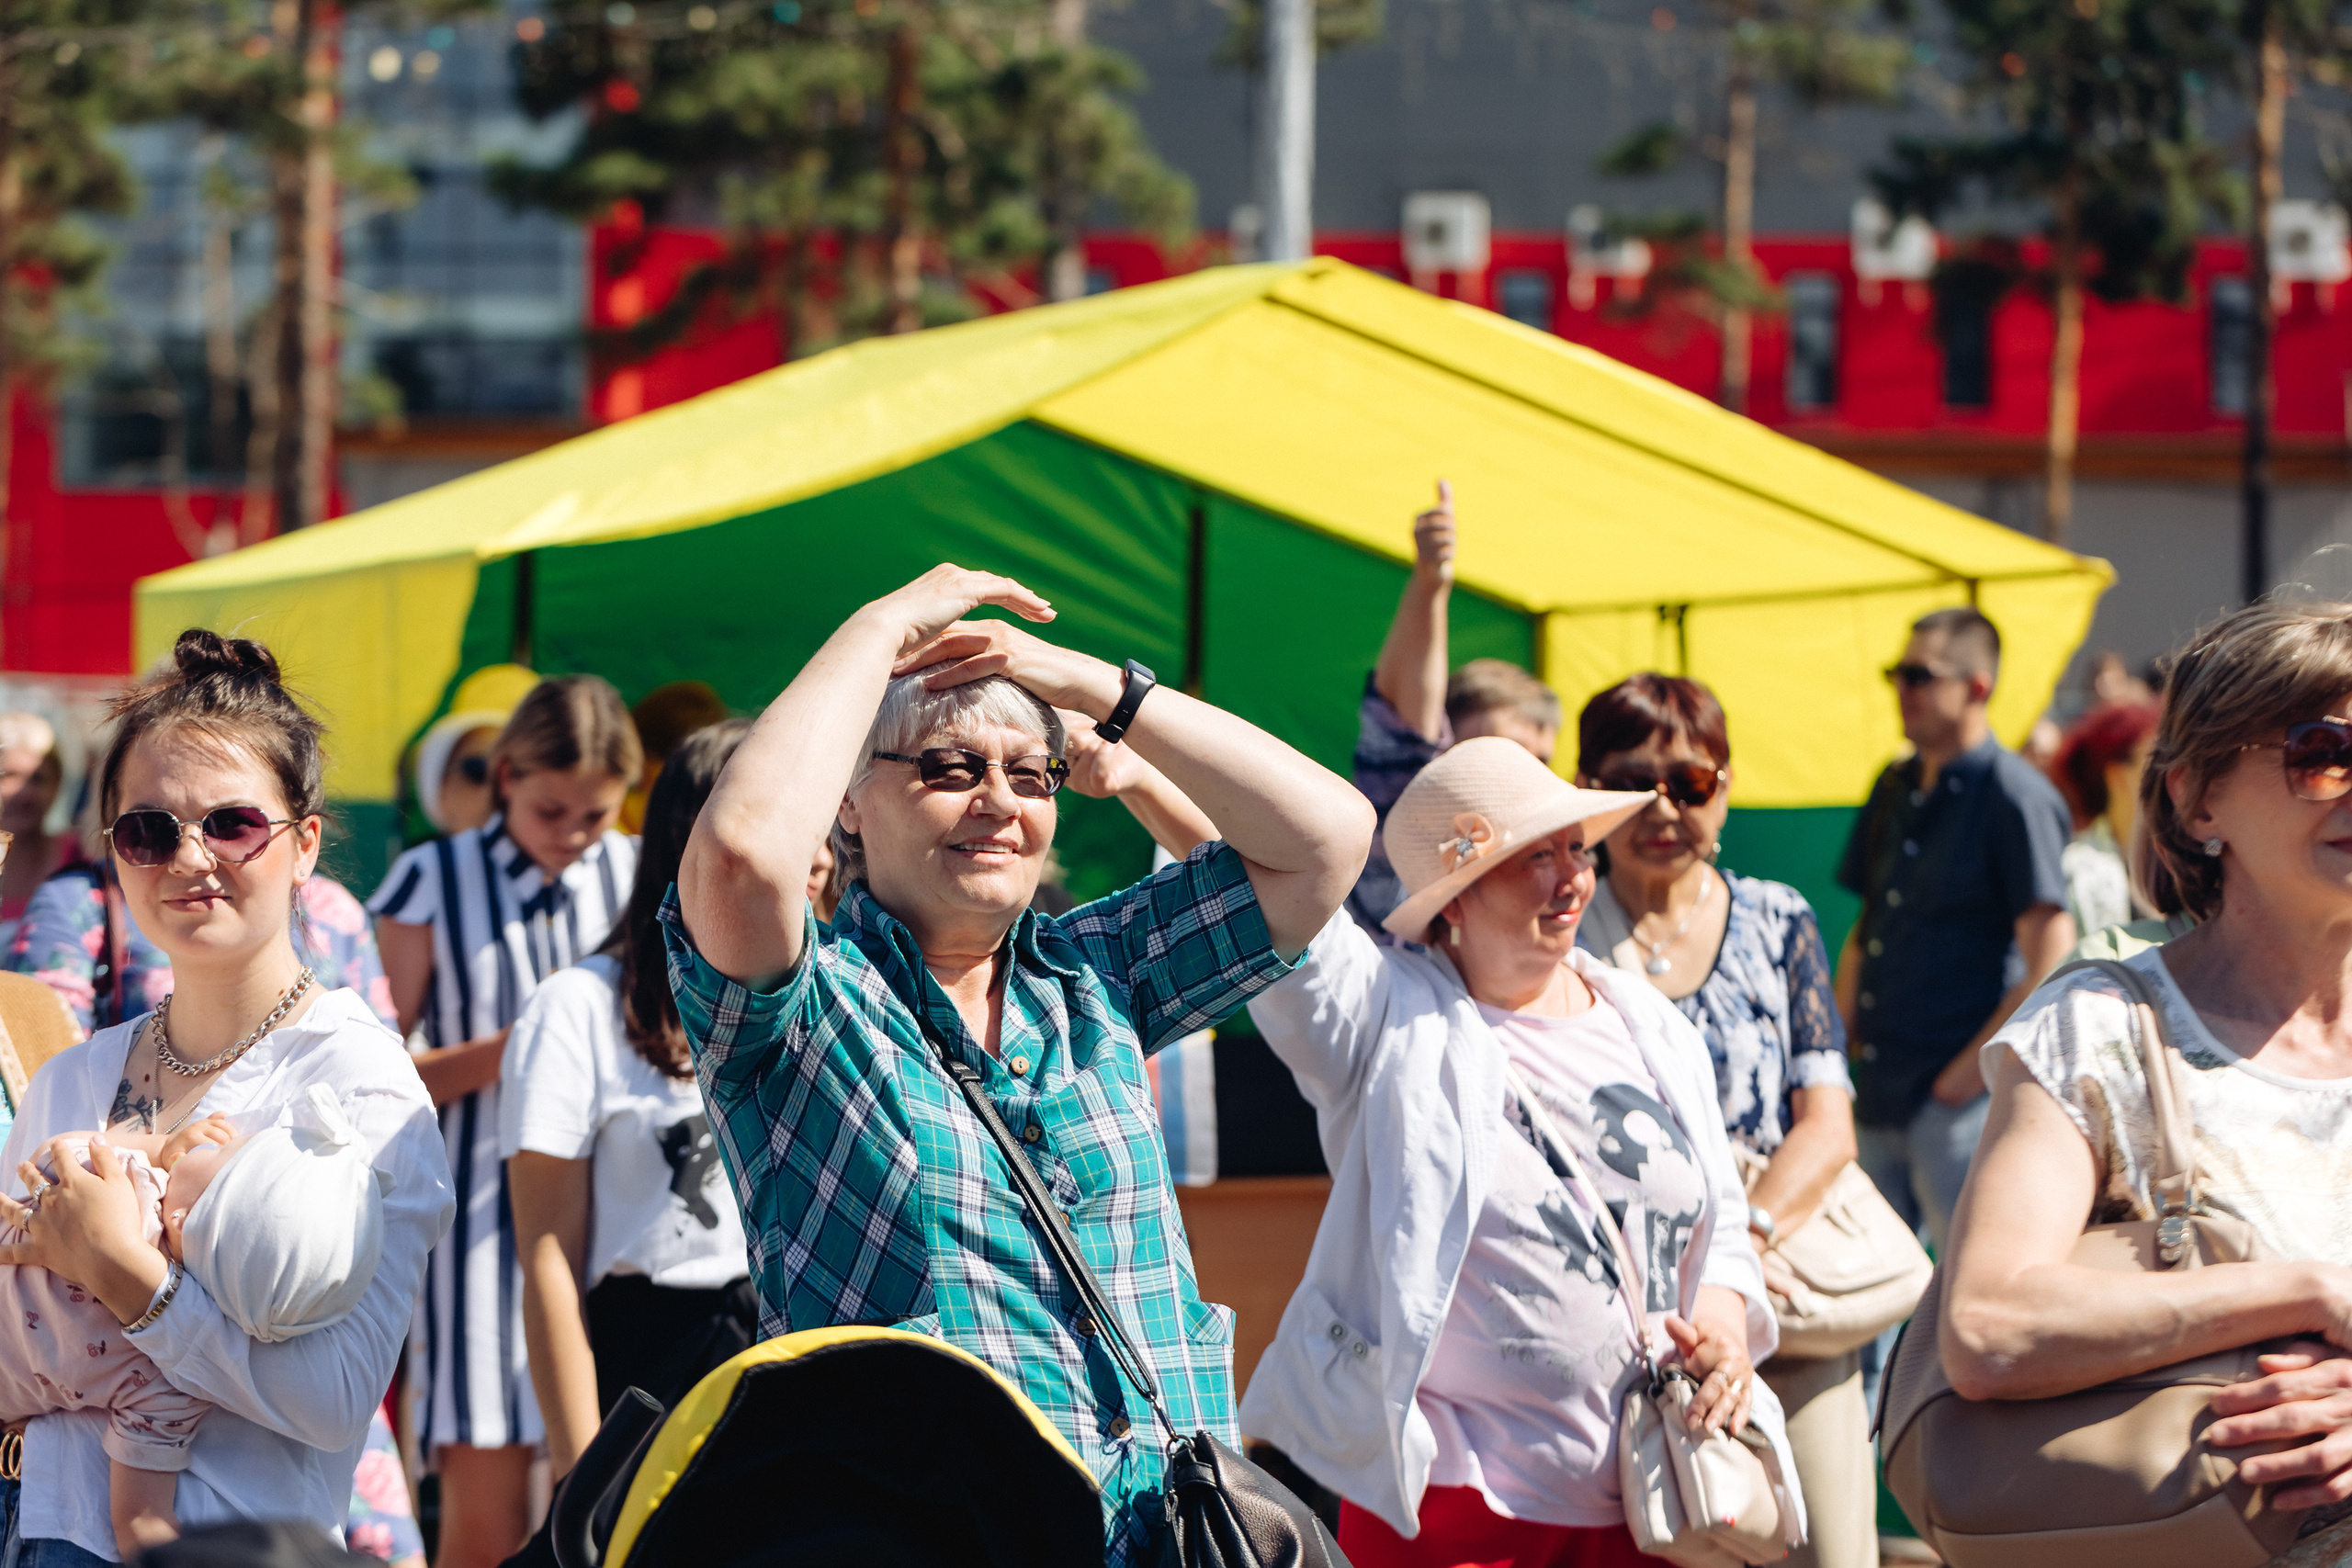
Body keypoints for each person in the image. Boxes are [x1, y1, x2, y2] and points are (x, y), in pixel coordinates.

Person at [668, 564, 1374, 1563]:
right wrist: (882, 628)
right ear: (850, 804)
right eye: (950, 767)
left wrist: (1092, 685)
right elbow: (742, 852)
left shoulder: (1099, 973)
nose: (998, 800)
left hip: (1169, 1538)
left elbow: (1327, 840)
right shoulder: (805, 1012)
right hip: (934, 1541)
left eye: (1032, 775)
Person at [1243, 737, 1800, 1568]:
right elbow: (1279, 880)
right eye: (1536, 856)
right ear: (1456, 897)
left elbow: (1716, 1223)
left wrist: (1721, 1326)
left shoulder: (1646, 1019)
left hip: (1654, 1501)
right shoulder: (1385, 1015)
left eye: (1576, 848)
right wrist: (1133, 737)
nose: (1573, 876)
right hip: (1454, 1515)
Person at [0, 628, 452, 1566]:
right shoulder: (72, 1076)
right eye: (148, 830)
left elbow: (334, 1399)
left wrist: (128, 1276)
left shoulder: (356, 1081)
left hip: (236, 1547)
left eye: (232, 824)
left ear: (304, 843)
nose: (188, 856)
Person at [1940, 600, 2352, 1534]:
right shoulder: (2101, 1028)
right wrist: (2309, 1293)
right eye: (2325, 753)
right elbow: (1988, 1325)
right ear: (2198, 797)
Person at [1570, 675, 1867, 1568]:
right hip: (1615, 1318)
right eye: (1633, 783)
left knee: (1828, 1548)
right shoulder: (1557, 925)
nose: (1664, 807)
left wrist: (1741, 1253)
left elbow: (1827, 1123)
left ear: (1725, 788)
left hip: (1782, 1287)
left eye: (1690, 782)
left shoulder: (1778, 918)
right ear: (1586, 789)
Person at [368, 676, 639, 1568]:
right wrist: (528, 1045)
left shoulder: (638, 871)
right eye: (551, 810)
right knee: (484, 1518)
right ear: (507, 776)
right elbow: (372, 1074)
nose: (572, 835)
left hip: (617, 1221)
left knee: (608, 1504)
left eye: (594, 815)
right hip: (479, 1225)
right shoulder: (432, 876)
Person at [504, 721, 754, 1479]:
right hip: (646, 1361)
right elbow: (549, 1256)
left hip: (787, 1349)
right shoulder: (577, 1006)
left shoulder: (838, 995)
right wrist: (579, 1473)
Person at [2, 1090, 387, 1559]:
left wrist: (160, 1147)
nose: (213, 1143)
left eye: (225, 1153)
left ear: (183, 1220)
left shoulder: (131, 1186)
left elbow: (53, 1150)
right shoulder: (172, 1386)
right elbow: (139, 1518)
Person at [1835, 606, 2074, 1255]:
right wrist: (1835, 1037)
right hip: (1878, 1087)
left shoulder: (2014, 794)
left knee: (1967, 1280)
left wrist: (1967, 1076)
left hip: (1955, 1102)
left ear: (1978, 686)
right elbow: (1867, 925)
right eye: (1896, 674)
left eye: (1920, 675)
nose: (1902, 690)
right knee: (1867, 1279)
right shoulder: (1894, 784)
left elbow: (2052, 954)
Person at [1350, 481, 1562, 938]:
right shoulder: (1410, 832)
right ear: (1443, 754)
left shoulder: (1559, 873)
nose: (1525, 775)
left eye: (1541, 761)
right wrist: (1430, 584)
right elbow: (1407, 730)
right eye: (1503, 754)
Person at [2047, 699, 2162, 940]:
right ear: (2117, 777)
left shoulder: (2173, 856)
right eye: (2155, 762)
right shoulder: (2080, 870)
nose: (2172, 775)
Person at [411, 665, 539, 839]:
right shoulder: (421, 859)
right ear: (440, 788)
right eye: (478, 770)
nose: (499, 793)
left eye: (520, 775)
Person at [0, 713, 69, 952]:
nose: (23, 792)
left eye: (37, 779)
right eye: (8, 775)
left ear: (56, 785)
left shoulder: (79, 858)